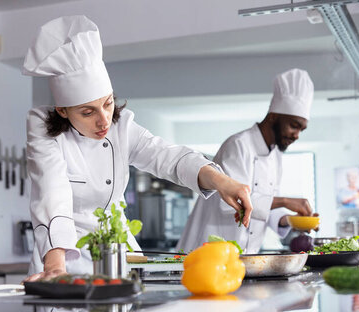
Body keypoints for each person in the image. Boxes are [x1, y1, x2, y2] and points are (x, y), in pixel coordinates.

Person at [22, 16, 253, 281]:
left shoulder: (121, 127)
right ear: (62, 110)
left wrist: (223, 181)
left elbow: (168, 157)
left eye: (108, 104)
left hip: (118, 255)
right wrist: (55, 270)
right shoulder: (41, 126)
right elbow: (52, 191)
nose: (104, 120)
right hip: (64, 259)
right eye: (88, 112)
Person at [177, 69, 316, 254]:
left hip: (244, 257)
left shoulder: (276, 156)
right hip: (207, 251)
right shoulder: (238, 145)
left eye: (301, 130)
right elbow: (231, 201)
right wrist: (285, 201)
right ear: (274, 115)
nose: (296, 135)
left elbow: (265, 208)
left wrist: (293, 220)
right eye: (294, 125)